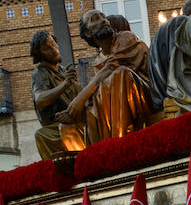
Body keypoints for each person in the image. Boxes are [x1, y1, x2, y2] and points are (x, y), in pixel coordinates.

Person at [58, 10, 150, 150]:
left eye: (104, 17)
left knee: (120, 74)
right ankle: (98, 153)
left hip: (144, 95)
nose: (104, 20)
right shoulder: (98, 61)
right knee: (87, 106)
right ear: (88, 33)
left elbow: (112, 67)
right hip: (117, 102)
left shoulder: (126, 38)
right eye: (96, 19)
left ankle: (121, 145)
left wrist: (80, 98)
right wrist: (79, 110)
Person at [30, 31, 81, 160]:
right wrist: (65, 84)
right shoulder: (40, 73)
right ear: (39, 55)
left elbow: (80, 95)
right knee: (41, 135)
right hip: (57, 126)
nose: (54, 49)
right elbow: (40, 100)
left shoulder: (63, 70)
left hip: (75, 120)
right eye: (47, 48)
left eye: (53, 44)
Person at [147, 0, 191, 115]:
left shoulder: (164, 28)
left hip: (163, 94)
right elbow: (181, 60)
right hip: (177, 94)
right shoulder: (182, 22)